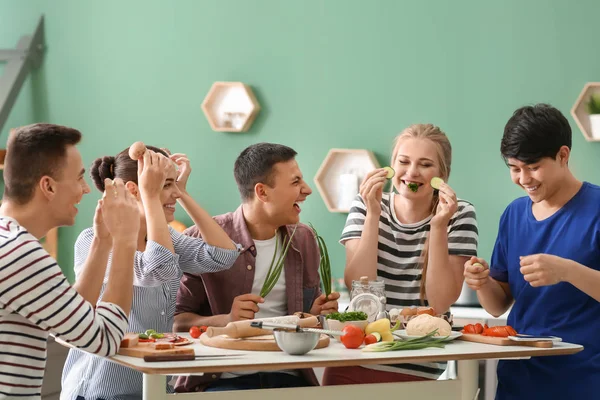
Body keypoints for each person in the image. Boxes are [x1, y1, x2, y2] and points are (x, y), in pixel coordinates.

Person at [60, 145, 241, 400]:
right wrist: (150, 195)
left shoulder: (170, 239)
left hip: (151, 388)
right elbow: (157, 269)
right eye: (166, 185)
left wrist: (183, 193)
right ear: (134, 189)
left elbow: (224, 255)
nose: (174, 194)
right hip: (99, 391)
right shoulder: (96, 239)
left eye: (174, 184)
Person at [173, 142, 340, 392]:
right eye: (295, 182)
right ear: (262, 192)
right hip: (225, 380)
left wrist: (315, 314)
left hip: (290, 376)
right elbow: (177, 322)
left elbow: (304, 320)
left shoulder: (304, 239)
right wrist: (227, 320)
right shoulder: (202, 238)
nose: (307, 190)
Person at [323, 124, 478, 385]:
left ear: (443, 174)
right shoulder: (365, 204)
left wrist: (438, 226)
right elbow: (360, 288)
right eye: (403, 161)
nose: (412, 172)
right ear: (391, 167)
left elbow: (439, 302)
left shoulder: (459, 214)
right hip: (355, 356)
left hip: (419, 366)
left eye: (425, 165)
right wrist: (373, 213)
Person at [463, 104, 600, 399]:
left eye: (533, 167)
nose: (524, 179)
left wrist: (566, 270)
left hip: (584, 380)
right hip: (519, 379)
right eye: (514, 168)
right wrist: (482, 282)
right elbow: (498, 305)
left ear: (563, 155)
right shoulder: (513, 215)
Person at [0, 123, 140, 399]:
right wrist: (126, 241)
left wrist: (104, 241)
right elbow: (105, 339)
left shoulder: (8, 241)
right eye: (78, 178)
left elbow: (70, 330)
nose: (86, 190)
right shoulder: (22, 254)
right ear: (48, 186)